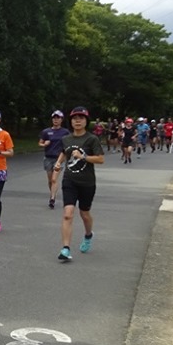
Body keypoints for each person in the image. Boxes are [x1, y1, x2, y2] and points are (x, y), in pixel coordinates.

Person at [53, 106, 104, 262]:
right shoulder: (66, 139)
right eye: (75, 118)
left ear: (86, 121)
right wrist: (58, 162)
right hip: (70, 180)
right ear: (71, 121)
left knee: (84, 214)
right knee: (68, 214)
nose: (78, 121)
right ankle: (66, 248)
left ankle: (88, 235)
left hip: (87, 182)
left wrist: (84, 157)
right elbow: (64, 151)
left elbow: (100, 159)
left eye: (81, 118)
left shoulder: (92, 139)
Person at [39, 110, 70, 209]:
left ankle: (52, 199)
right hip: (48, 158)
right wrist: (44, 144)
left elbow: (68, 145)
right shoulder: (46, 131)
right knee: (50, 180)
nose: (56, 120)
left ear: (61, 120)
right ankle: (53, 193)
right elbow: (40, 143)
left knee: (54, 179)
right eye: (54, 118)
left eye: (58, 118)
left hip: (59, 158)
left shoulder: (65, 132)